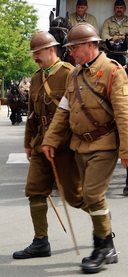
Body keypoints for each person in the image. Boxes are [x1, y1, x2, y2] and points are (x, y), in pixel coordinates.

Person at [42, 22, 128, 274]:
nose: (71, 53)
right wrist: (51, 139)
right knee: (88, 196)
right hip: (80, 146)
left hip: (104, 145)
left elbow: (126, 113)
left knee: (93, 195)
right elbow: (63, 111)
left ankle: (102, 249)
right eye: (70, 48)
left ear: (89, 45)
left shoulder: (112, 71)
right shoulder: (75, 74)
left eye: (74, 48)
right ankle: (108, 244)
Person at [13, 30, 86, 259]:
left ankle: (104, 231)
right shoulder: (35, 78)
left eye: (38, 52)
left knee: (76, 197)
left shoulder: (69, 74)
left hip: (64, 147)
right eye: (33, 53)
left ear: (51, 50)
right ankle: (40, 242)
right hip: (39, 145)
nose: (35, 57)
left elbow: (77, 112)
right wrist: (28, 143)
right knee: (34, 191)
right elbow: (32, 114)